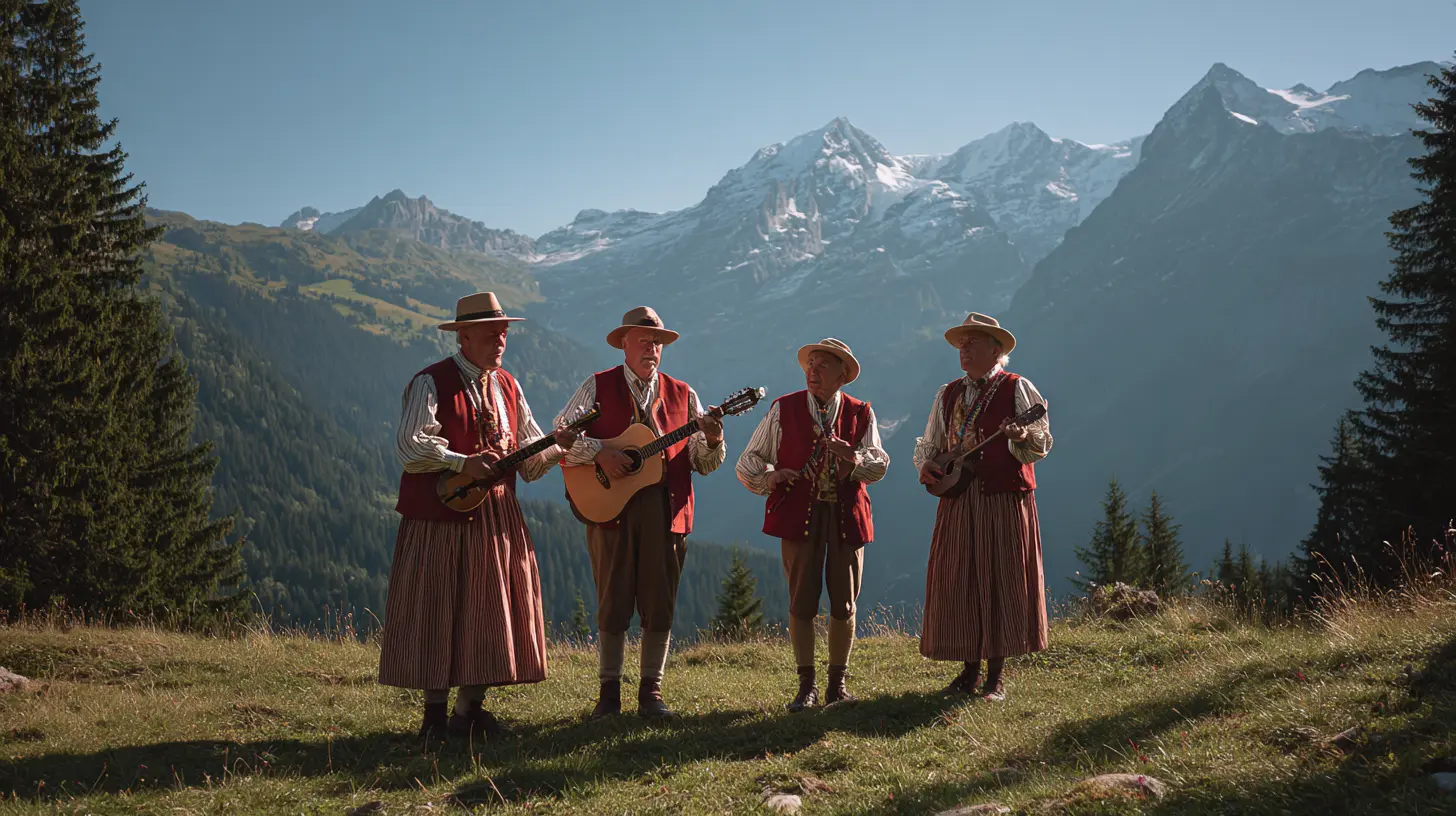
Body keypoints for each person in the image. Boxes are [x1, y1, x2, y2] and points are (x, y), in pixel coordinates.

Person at [378, 292, 580, 742]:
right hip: (440, 515)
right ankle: (433, 718)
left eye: (503, 333)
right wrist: (461, 462)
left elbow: (529, 463)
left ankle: (469, 712)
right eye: (491, 333)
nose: (500, 341)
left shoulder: (509, 386)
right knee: (436, 608)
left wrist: (557, 445)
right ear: (464, 336)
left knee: (490, 611)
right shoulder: (431, 382)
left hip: (497, 517)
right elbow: (410, 447)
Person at [555, 306, 726, 719]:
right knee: (612, 600)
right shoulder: (597, 387)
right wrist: (600, 452)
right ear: (624, 344)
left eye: (658, 342)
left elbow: (703, 463)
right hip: (609, 505)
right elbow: (561, 435)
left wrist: (713, 439)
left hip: (666, 509)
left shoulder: (684, 394)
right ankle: (609, 694)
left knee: (659, 600)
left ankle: (652, 692)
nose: (652, 348)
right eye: (644, 340)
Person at [736, 338, 889, 711]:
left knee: (844, 602)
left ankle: (837, 686)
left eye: (822, 366)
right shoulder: (783, 408)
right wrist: (770, 475)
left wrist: (853, 458)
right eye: (810, 364)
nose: (813, 372)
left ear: (842, 375)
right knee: (801, 602)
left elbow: (880, 464)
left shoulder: (861, 412)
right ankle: (806, 687)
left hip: (846, 516)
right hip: (798, 516)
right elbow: (748, 461)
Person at [913, 312, 1052, 701]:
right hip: (959, 496)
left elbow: (1041, 441)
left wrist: (1020, 436)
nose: (964, 348)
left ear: (996, 349)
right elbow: (931, 442)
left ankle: (996, 677)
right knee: (960, 579)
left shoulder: (1017, 387)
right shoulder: (948, 393)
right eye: (962, 343)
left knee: (1000, 579)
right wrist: (926, 465)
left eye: (972, 342)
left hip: (1002, 497)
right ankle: (968, 671)